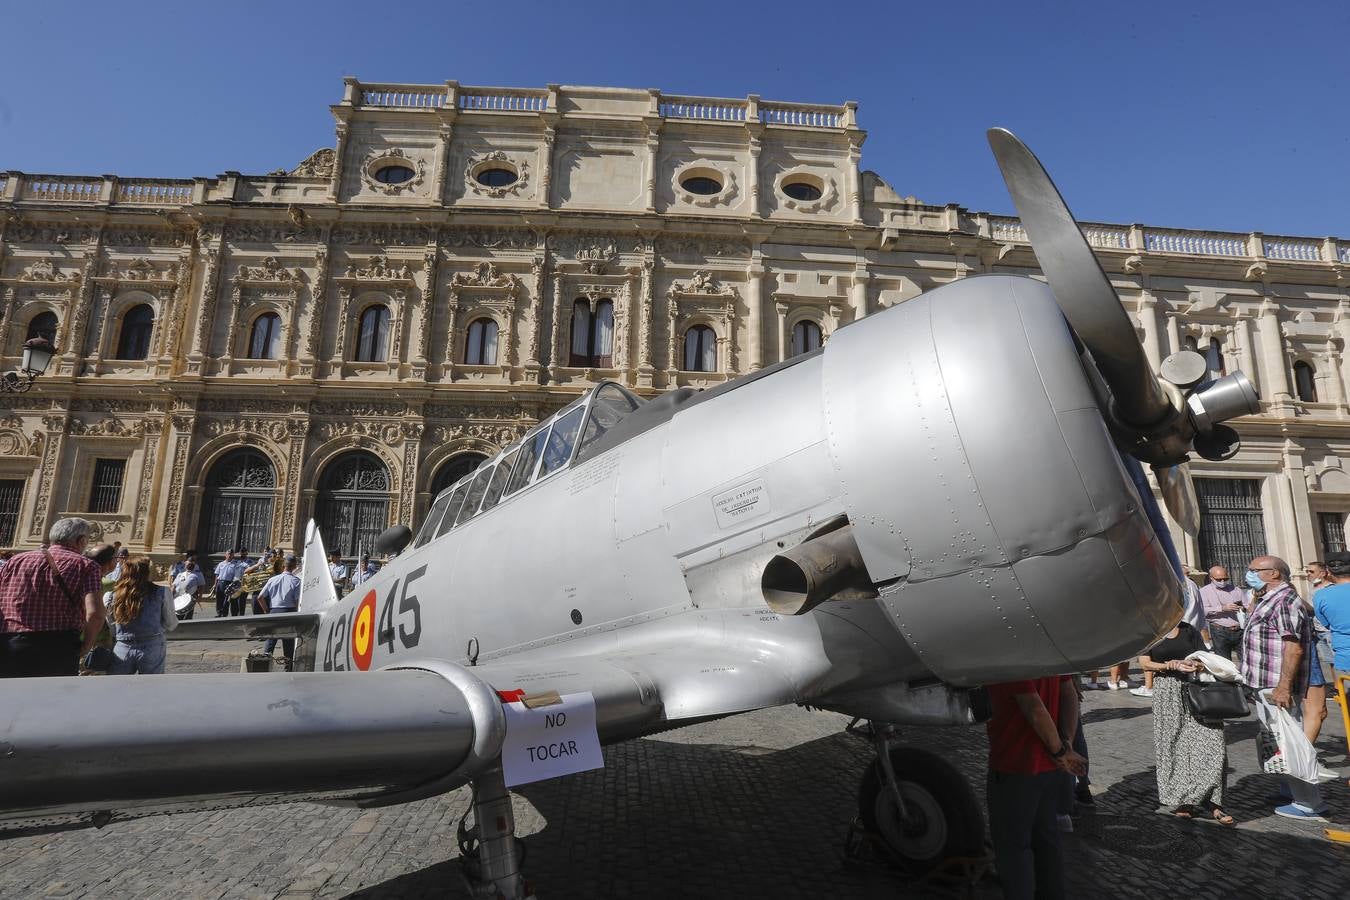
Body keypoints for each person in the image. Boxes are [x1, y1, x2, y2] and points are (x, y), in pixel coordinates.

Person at [1241, 554, 1327, 821]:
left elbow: (1293, 647)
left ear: (1274, 574)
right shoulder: (1269, 598)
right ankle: (1291, 790)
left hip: (1275, 685)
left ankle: (1308, 803)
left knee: (1289, 742)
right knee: (1277, 742)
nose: (1249, 574)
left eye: (1254, 570)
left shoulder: (1285, 600)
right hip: (1264, 683)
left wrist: (1283, 687)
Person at [985, 675, 1086, 900]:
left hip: (1016, 767)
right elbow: (1068, 692)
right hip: (1050, 768)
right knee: (1047, 842)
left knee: (1013, 850)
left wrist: (1060, 750)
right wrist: (1066, 744)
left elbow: (1033, 707)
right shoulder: (1045, 652)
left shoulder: (1009, 656)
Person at [1138, 620, 1232, 824]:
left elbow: (1204, 657)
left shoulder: (1189, 629)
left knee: (1213, 742)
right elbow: (1144, 663)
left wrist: (1195, 664)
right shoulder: (1151, 630)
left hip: (1196, 689)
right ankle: (1184, 801)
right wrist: (1168, 665)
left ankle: (1215, 802)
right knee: (1174, 745)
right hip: (1167, 691)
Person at [0, 517, 106, 678]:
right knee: (51, 700)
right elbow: (95, 614)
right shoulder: (86, 566)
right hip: (58, 647)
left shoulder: (15, 560)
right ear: (81, 540)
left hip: (10, 643)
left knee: (10, 700)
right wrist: (86, 645)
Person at [106, 556, 177, 675]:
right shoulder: (162, 591)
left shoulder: (111, 595)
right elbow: (171, 624)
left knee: (118, 687)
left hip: (123, 645)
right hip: (152, 644)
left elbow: (111, 625)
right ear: (147, 572)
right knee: (151, 687)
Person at [257, 555, 301, 670]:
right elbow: (297, 601)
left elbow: (260, 597)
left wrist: (267, 611)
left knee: (270, 641)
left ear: (283, 566)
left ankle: (263, 667)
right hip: (289, 612)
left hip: (274, 611)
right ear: (294, 566)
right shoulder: (296, 581)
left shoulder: (273, 579)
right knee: (288, 643)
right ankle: (288, 668)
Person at [1199, 565, 1245, 662]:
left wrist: (1243, 607)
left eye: (1225, 579)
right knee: (1224, 662)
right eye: (1219, 579)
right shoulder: (1204, 591)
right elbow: (1203, 610)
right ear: (1211, 578)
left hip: (1239, 629)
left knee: (1246, 659)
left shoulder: (1235, 589)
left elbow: (1247, 605)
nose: (1222, 582)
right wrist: (1222, 608)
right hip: (1220, 630)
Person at [213, 549, 242, 618]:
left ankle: (224, 613)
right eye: (228, 554)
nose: (229, 555)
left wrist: (233, 585)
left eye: (231, 554)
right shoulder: (221, 564)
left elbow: (236, 576)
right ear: (225, 555)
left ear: (233, 555)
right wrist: (215, 585)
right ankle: (219, 612)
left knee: (227, 599)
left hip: (229, 583)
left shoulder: (235, 564)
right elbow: (217, 575)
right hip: (220, 583)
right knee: (219, 598)